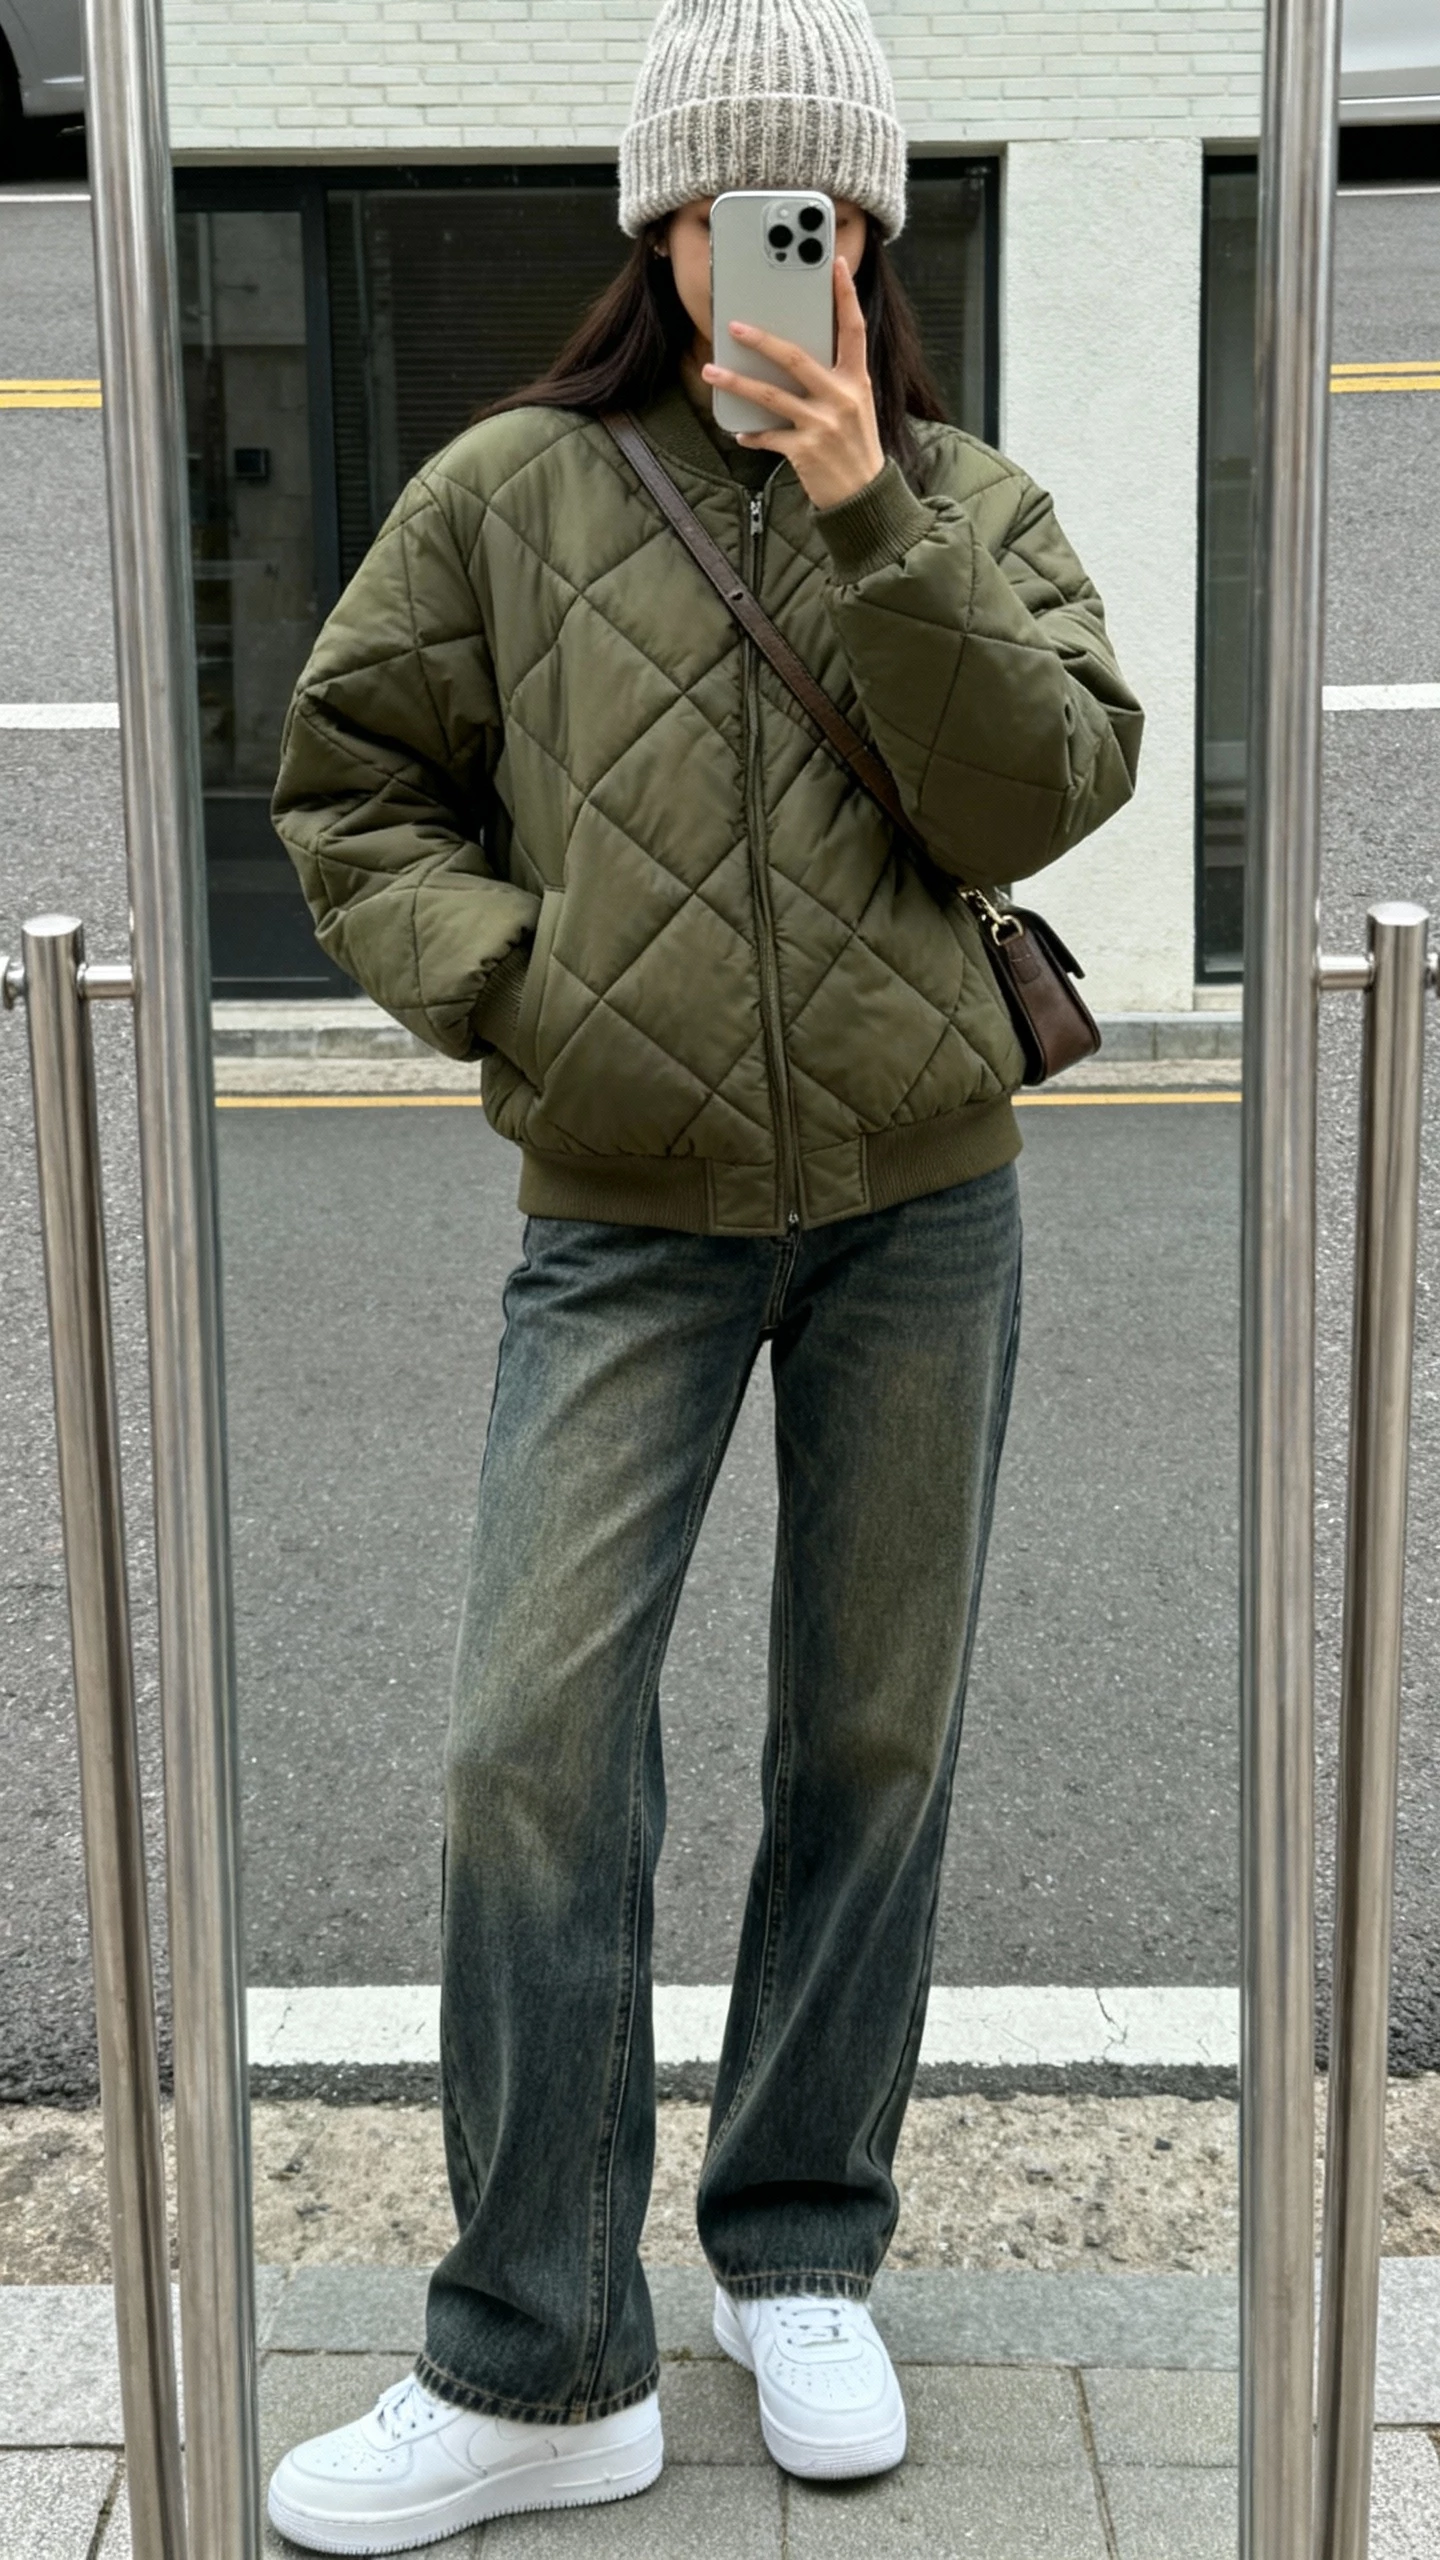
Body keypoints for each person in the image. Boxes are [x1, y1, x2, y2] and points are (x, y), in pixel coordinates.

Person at [264, 0, 1144, 2545]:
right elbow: (349, 778)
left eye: (829, 210)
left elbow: (1037, 779)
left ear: (873, 233)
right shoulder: (508, 495)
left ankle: (795, 2249)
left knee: (871, 1741)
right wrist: (530, 993)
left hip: (918, 1205)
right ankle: (543, 2352)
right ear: (656, 227)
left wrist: (873, 509)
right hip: (619, 1224)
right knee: (525, 1753)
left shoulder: (964, 491)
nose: (786, 244)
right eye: (736, 205)